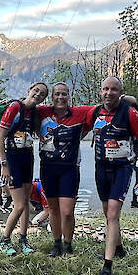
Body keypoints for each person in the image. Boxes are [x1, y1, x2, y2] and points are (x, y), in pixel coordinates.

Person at [87, 76, 138, 275]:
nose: (109, 93)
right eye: (105, 89)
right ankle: (119, 248)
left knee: (113, 214)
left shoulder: (130, 113)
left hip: (122, 169)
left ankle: (107, 266)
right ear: (100, 91)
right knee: (108, 213)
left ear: (120, 93)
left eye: (114, 90)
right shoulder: (96, 112)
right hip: (101, 169)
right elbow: (77, 127)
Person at [35, 82, 92, 257]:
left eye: (64, 94)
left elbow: (103, 108)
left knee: (67, 211)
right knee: (52, 209)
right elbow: (22, 108)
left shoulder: (80, 112)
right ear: (52, 97)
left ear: (69, 96)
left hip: (69, 168)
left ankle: (68, 243)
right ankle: (57, 243)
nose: (60, 97)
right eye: (57, 94)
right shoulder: (42, 112)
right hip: (48, 168)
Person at [0, 82, 50, 255]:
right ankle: (4, 240)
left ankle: (23, 238)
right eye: (36, 91)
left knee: (26, 202)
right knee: (18, 205)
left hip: (27, 156)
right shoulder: (15, 107)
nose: (38, 95)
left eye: (42, 94)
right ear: (29, 90)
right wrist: (4, 165)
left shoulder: (34, 112)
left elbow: (34, 132)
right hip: (12, 158)